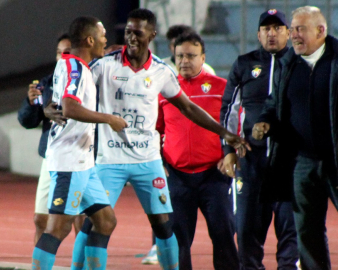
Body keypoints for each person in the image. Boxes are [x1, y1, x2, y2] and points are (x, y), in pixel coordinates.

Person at [69, 9, 249, 270]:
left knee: (164, 226)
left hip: (147, 161)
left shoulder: (162, 71)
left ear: (151, 35)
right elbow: (72, 86)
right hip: (110, 160)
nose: (131, 37)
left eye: (137, 32)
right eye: (128, 31)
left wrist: (224, 133)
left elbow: (187, 107)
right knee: (95, 221)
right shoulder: (104, 65)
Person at [253, 6, 338, 270]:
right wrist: (264, 120)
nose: (294, 35)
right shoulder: (287, 63)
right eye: (292, 30)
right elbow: (274, 102)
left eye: (300, 29)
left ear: (321, 30)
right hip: (302, 163)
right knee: (308, 234)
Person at [32, 16, 128, 270]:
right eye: (103, 36)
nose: (106, 40)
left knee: (106, 221)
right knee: (57, 229)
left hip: (82, 162)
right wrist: (109, 119)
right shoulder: (76, 67)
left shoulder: (67, 63)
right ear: (90, 40)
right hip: (69, 162)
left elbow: (57, 100)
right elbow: (71, 107)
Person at [220, 9, 299, 270]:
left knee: (290, 229)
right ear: (258, 34)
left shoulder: (300, 64)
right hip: (251, 160)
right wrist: (228, 149)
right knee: (246, 230)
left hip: (290, 161)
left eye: (278, 28)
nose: (272, 33)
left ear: (288, 32)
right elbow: (228, 109)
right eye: (266, 28)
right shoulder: (244, 64)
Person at [157, 32, 239, 270]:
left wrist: (229, 154)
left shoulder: (222, 88)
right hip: (177, 176)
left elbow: (234, 125)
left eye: (191, 56)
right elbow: (156, 130)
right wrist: (159, 161)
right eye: (179, 56)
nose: (184, 61)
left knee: (223, 234)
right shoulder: (164, 91)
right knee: (178, 240)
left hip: (214, 176)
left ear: (203, 57)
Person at [17, 34, 87, 245]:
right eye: (59, 53)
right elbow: (27, 121)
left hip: (80, 157)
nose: (62, 57)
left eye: (67, 52)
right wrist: (31, 104)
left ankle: (82, 264)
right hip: (52, 157)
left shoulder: (87, 80)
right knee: (41, 218)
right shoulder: (46, 84)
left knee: (80, 219)